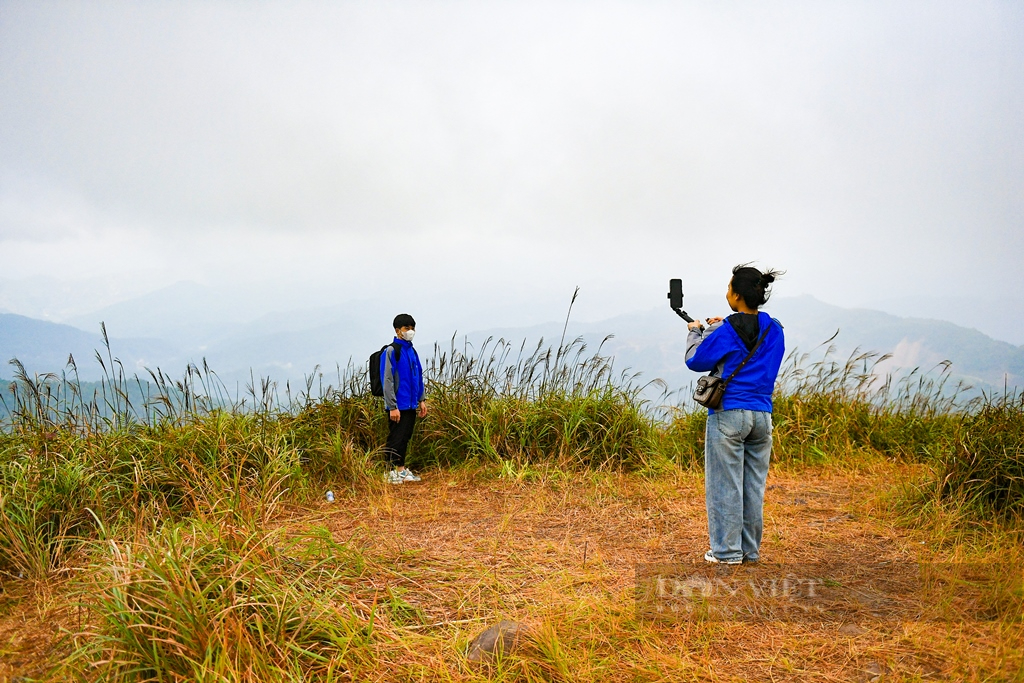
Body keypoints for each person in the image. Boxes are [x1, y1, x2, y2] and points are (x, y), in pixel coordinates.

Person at [685, 265, 785, 565]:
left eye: (729, 289)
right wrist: (723, 326)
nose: (727, 293)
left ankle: (726, 553)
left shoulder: (728, 329)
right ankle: (749, 552)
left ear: (737, 295)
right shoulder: (775, 328)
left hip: (728, 415)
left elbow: (696, 360)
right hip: (762, 416)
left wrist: (696, 334)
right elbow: (758, 350)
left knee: (723, 485)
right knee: (752, 487)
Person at [380, 313, 428, 484]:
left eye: (412, 328)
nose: (410, 331)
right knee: (396, 437)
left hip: (410, 404)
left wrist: (421, 400)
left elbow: (418, 376)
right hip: (398, 405)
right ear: (397, 330)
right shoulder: (392, 351)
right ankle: (390, 471)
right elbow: (387, 380)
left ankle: (400, 470)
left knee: (405, 436)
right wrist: (392, 406)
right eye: (406, 328)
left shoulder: (411, 351)